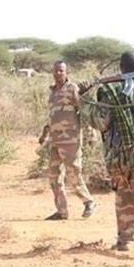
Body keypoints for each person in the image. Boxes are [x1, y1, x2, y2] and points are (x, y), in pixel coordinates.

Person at [82, 52, 134, 256]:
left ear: (121, 68)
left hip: (118, 155)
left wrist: (84, 99)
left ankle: (124, 241)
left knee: (124, 196)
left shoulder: (110, 91)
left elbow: (100, 122)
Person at [39, 61, 96, 220]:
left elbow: (83, 112)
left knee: (73, 174)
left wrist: (91, 133)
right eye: (56, 70)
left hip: (70, 139)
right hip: (54, 140)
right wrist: (44, 134)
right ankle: (62, 211)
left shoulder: (72, 89)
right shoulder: (53, 93)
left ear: (66, 72)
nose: (58, 73)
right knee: (54, 176)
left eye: (61, 71)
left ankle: (89, 202)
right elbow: (52, 116)